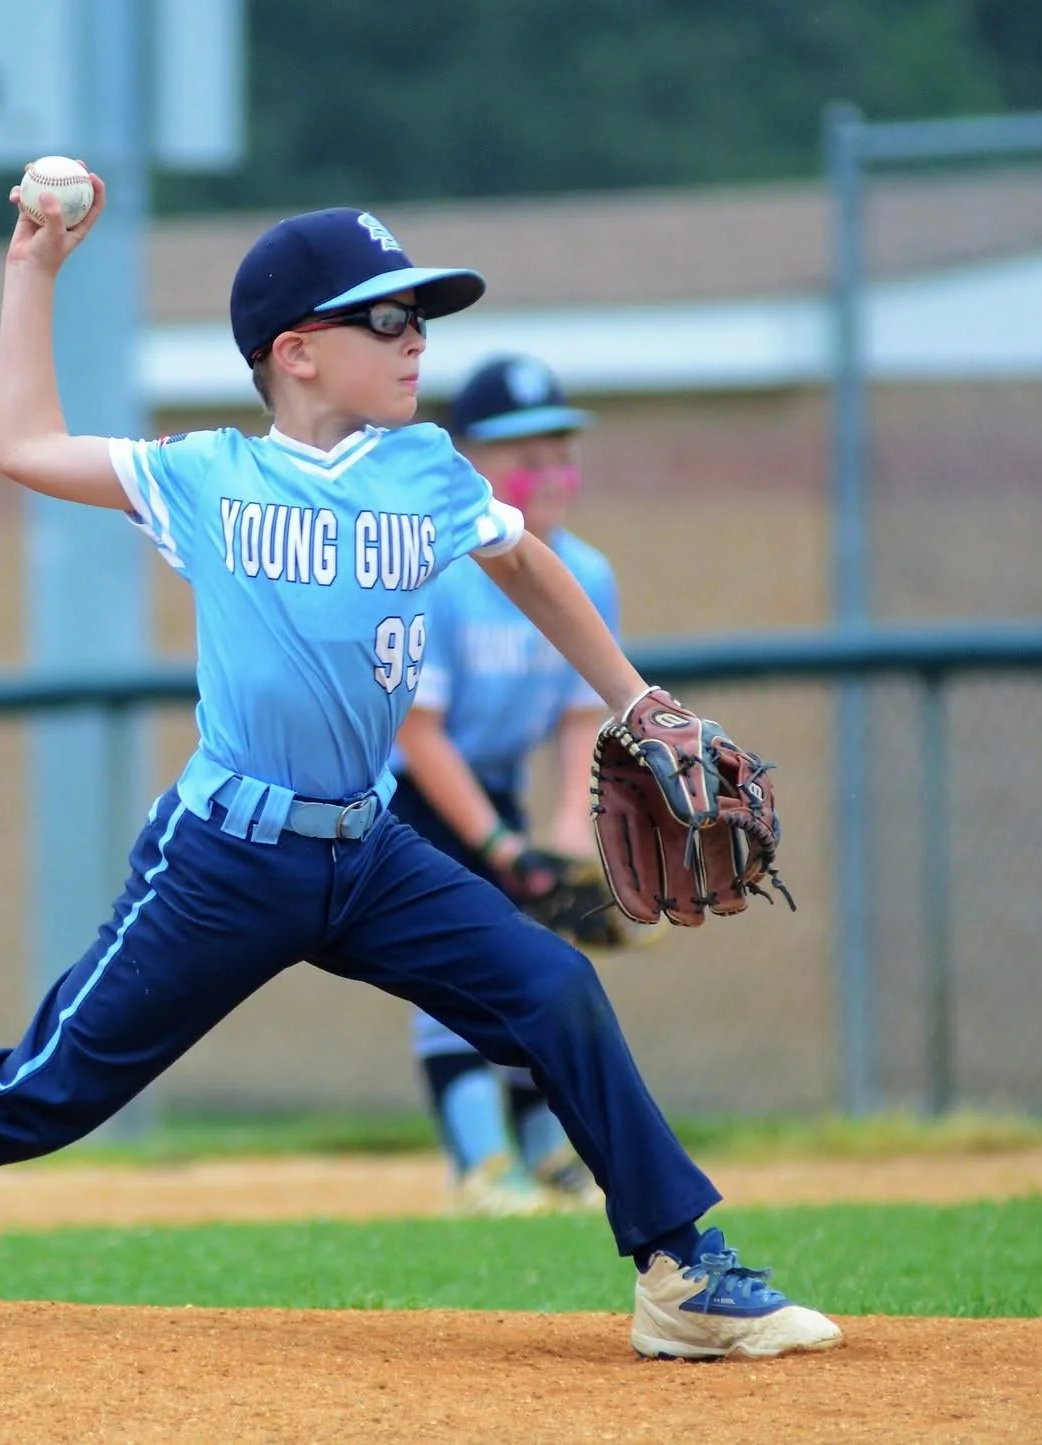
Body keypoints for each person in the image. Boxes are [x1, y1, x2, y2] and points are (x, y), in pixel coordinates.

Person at [0, 181, 843, 1362]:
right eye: (385, 317)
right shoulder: (206, 477)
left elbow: (522, 561)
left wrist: (633, 699)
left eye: (421, 316)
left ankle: (678, 1272)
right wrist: (33, 267)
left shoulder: (427, 468)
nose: (416, 337)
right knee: (46, 1089)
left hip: (370, 851)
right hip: (227, 858)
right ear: (296, 351)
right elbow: (24, 442)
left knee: (554, 987)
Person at [393, 355, 622, 1218]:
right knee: (454, 959)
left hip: (495, 787)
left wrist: (564, 831)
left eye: (561, 449)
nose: (550, 469)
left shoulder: (586, 573)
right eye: (525, 453)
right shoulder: (442, 569)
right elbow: (416, 732)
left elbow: (579, 717)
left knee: (537, 956)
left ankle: (544, 1151)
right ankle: (479, 1163)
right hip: (406, 789)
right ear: (469, 462)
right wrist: (496, 846)